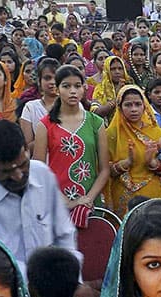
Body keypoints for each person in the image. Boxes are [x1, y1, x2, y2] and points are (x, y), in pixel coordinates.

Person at [0, 121, 76, 275]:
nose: (18, 176)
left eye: (23, 165)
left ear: (26, 149)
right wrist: (47, 286)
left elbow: (64, 235)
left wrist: (72, 280)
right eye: (6, 171)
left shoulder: (43, 174)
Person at [33, 65, 109, 227]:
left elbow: (104, 170)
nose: (73, 91)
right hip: (56, 202)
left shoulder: (96, 123)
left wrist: (87, 199)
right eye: (66, 86)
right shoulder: (45, 125)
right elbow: (38, 171)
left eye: (77, 86)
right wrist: (66, 202)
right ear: (57, 89)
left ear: (84, 89)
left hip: (90, 203)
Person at [105, 85, 161, 215]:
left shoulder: (155, 133)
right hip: (122, 194)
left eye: (138, 104)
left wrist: (154, 164)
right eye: (128, 105)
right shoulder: (111, 134)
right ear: (119, 107)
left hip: (151, 193)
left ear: (145, 106)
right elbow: (104, 171)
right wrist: (126, 162)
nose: (134, 109)